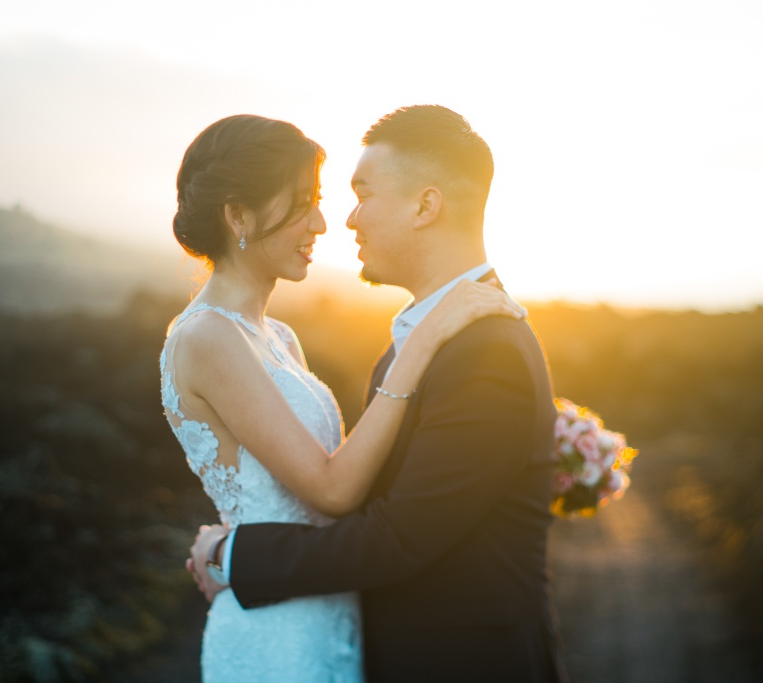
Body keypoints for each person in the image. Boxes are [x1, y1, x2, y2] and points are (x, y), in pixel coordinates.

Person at [189, 105, 567, 682]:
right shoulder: (424, 340)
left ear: (426, 205)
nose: (346, 220)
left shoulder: (486, 351)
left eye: (363, 193)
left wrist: (232, 555)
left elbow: (397, 538)